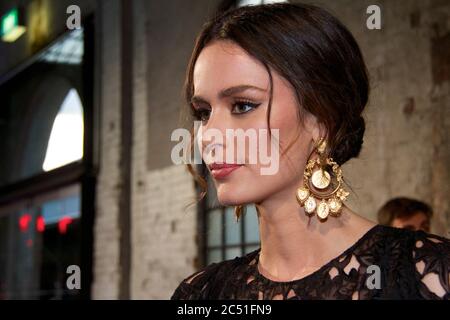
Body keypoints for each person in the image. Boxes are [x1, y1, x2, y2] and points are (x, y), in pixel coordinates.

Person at [171, 3, 449, 300]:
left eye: (243, 105)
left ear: (322, 121)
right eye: (203, 112)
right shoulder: (201, 295)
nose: (209, 135)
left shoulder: (430, 274)